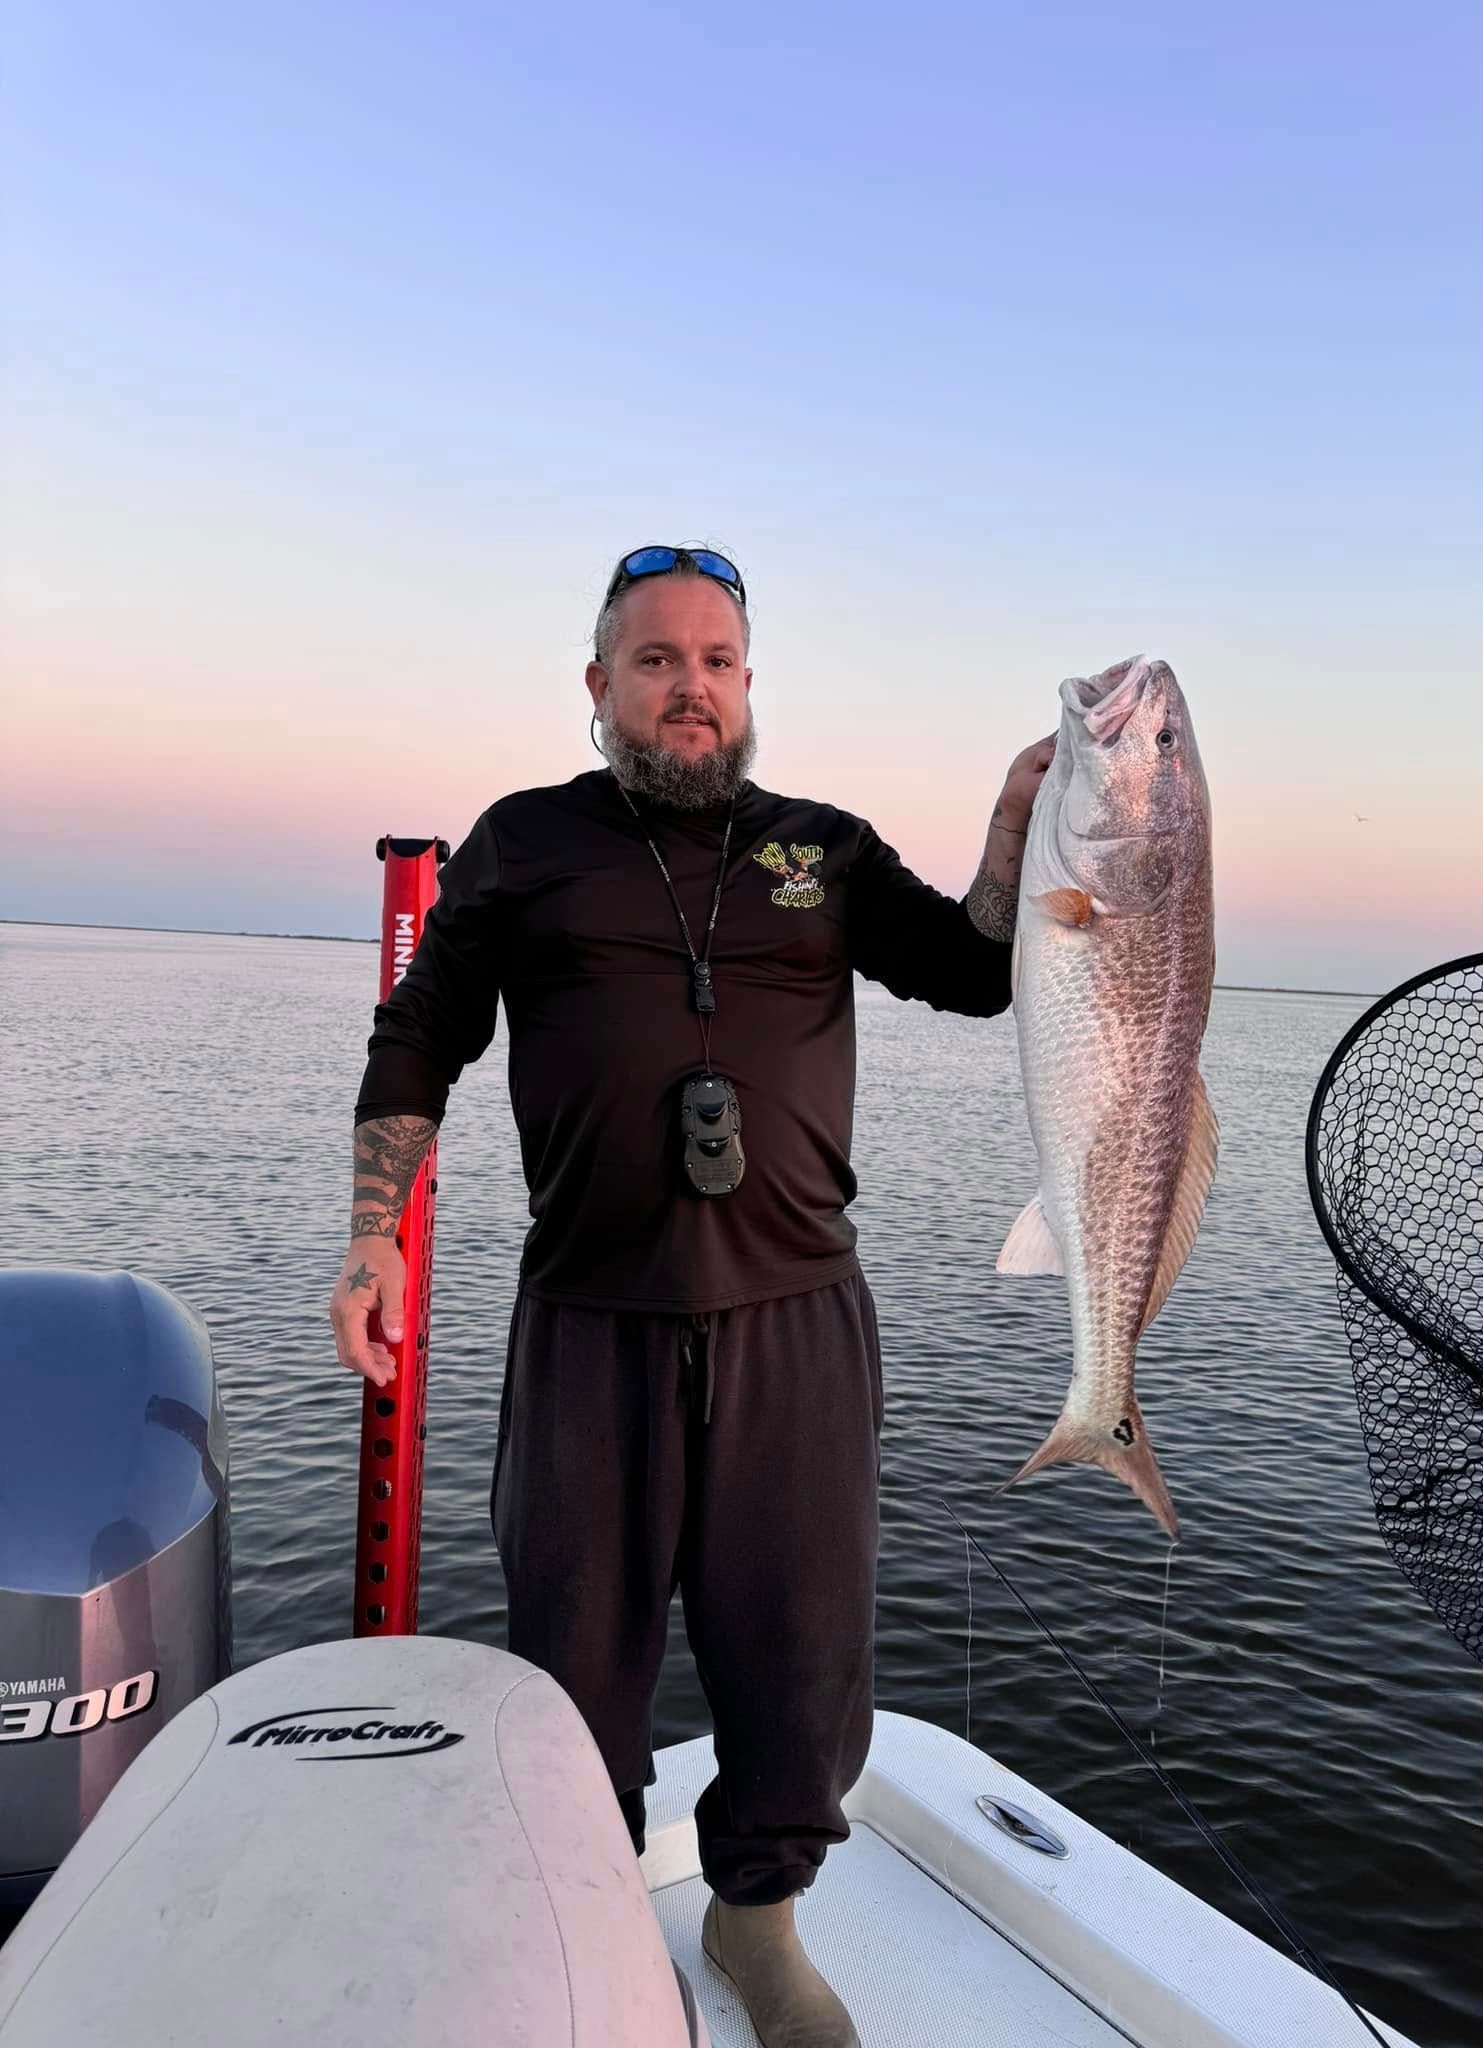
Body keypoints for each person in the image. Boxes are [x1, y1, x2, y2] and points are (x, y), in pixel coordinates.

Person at [329, 544, 1054, 2047]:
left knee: (802, 1652)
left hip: (797, 1320)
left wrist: (1007, 839)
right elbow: (420, 1039)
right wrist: (372, 1234)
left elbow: (977, 971)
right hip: (590, 1318)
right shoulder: (528, 844)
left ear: (748, 687)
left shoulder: (824, 850)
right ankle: (591, 1916)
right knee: (576, 1654)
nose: (691, 689)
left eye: (718, 661)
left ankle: (755, 1918)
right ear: (601, 686)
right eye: (657, 661)